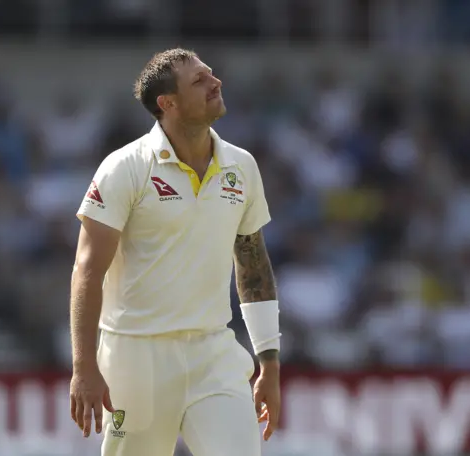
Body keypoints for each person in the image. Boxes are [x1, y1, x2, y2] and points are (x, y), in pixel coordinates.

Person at [69, 48, 281, 456]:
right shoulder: (125, 167)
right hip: (136, 356)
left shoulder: (241, 166)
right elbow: (87, 271)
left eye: (211, 74)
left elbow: (253, 264)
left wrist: (268, 360)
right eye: (199, 81)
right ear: (167, 103)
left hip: (214, 352)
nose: (215, 82)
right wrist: (84, 366)